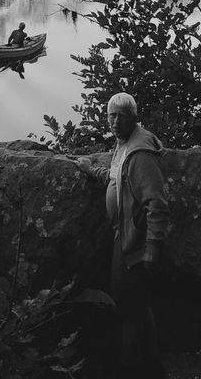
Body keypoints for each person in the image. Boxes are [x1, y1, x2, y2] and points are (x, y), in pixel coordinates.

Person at [76, 93, 169, 379]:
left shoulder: (140, 154)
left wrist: (152, 248)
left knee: (128, 305)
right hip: (126, 235)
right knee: (139, 304)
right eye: (111, 116)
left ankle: (129, 367)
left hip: (135, 242)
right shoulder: (124, 145)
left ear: (134, 118)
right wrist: (91, 169)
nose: (115, 122)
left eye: (121, 116)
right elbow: (117, 179)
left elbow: (157, 203)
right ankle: (151, 361)